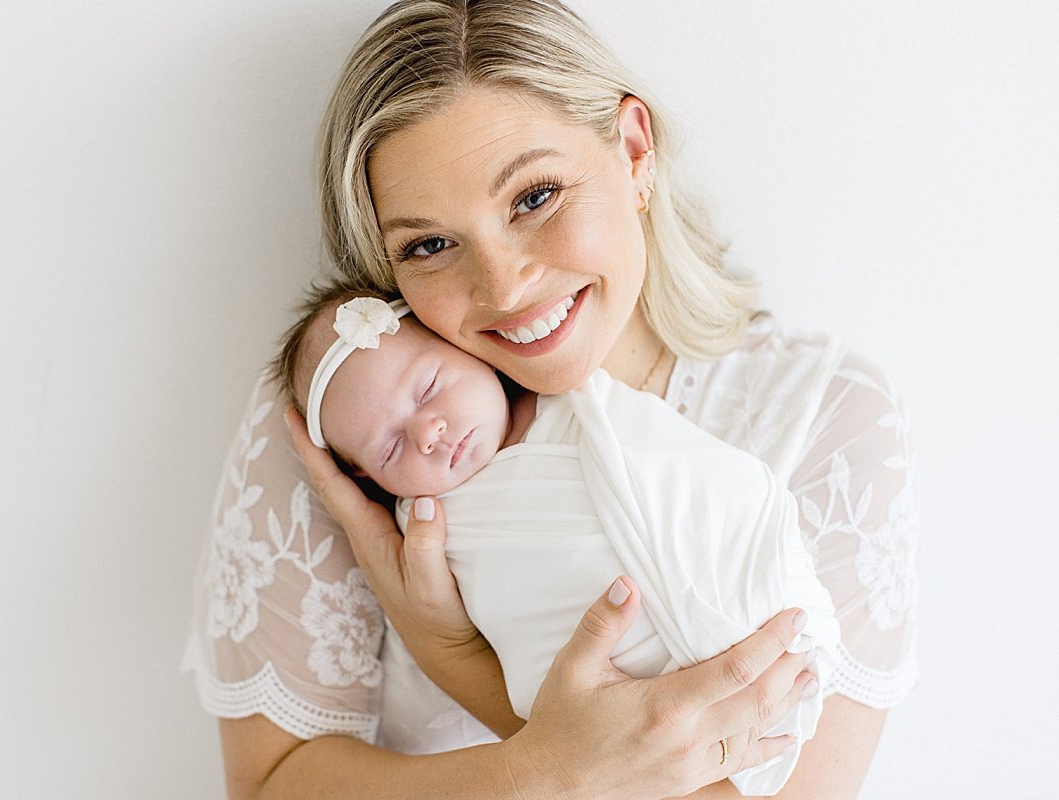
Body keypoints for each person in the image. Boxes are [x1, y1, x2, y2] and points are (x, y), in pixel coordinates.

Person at [183, 1, 919, 797]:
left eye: (534, 198)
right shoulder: (353, 413)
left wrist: (469, 673)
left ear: (635, 152)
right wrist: (532, 767)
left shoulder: (826, 420)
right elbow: (269, 785)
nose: (502, 286)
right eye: (430, 245)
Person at [273, 284, 841, 795]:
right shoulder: (430, 534)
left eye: (428, 388)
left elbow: (700, 480)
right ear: (370, 480)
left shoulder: (581, 402)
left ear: (468, 354)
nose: (428, 432)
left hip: (742, 610)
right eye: (391, 447)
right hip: (614, 689)